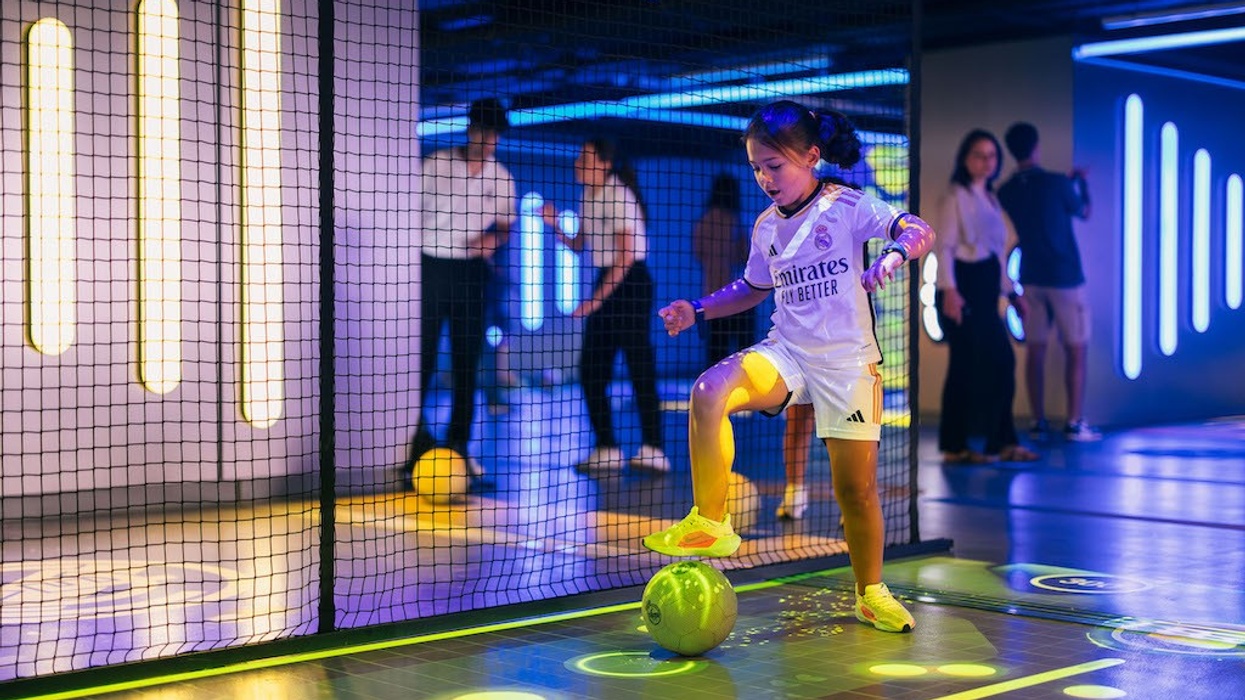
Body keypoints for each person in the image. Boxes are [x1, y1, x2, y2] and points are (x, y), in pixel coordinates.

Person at [643, 100, 935, 633]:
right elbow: (753, 288)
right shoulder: (763, 228)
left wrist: (892, 255)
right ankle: (712, 520)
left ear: (811, 157)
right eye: (756, 168)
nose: (764, 178)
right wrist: (698, 308)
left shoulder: (848, 206)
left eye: (774, 166)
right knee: (710, 389)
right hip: (789, 353)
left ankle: (871, 592)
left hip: (848, 364)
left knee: (857, 492)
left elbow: (917, 228)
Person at [542, 137, 670, 474]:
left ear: (605, 163)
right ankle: (607, 447)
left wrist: (595, 301)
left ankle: (653, 448)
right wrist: (555, 225)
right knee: (592, 370)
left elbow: (627, 257)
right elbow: (579, 245)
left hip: (630, 284)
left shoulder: (618, 195)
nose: (578, 163)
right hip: (607, 278)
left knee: (638, 366)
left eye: (586, 157)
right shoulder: (588, 195)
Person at [407, 97, 516, 485]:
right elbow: (406, 215)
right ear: (470, 130)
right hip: (432, 265)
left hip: (473, 273)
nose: (489, 142)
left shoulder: (501, 177)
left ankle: (459, 447)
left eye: (495, 136)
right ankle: (412, 445)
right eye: (484, 133)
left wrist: (492, 240)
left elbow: (506, 225)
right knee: (422, 358)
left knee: (467, 361)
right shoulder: (434, 164)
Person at [936, 129, 1040, 464]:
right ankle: (956, 446)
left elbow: (997, 253)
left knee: (1000, 363)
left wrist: (1012, 294)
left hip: (984, 286)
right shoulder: (954, 197)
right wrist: (950, 291)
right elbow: (946, 249)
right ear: (966, 159)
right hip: (962, 287)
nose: (986, 162)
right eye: (979, 155)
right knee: (965, 367)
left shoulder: (991, 199)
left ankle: (1001, 441)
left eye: (992, 156)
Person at [996, 122, 1100, 442]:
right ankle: (1073, 423)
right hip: (1066, 276)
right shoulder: (1057, 183)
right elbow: (1083, 211)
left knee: (1035, 350)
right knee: (1076, 349)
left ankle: (1038, 421)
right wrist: (1080, 183)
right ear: (1036, 146)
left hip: (1031, 276)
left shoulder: (1006, 190)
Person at [693, 173, 757, 367]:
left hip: (712, 297)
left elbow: (699, 254)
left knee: (715, 356)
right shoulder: (737, 220)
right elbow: (745, 256)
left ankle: (715, 395)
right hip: (740, 296)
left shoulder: (703, 221)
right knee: (743, 356)